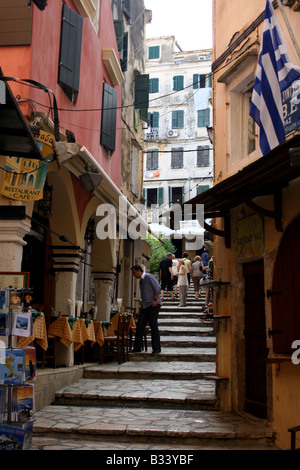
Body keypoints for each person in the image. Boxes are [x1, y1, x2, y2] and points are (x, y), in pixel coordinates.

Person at [131, 265, 162, 354]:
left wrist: (155, 299)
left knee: (153, 325)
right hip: (145, 305)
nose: (133, 275)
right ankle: (137, 347)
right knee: (140, 325)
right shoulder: (141, 280)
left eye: (134, 272)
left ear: (138, 271)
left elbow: (157, 288)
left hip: (153, 304)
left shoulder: (148, 276)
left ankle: (157, 348)